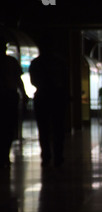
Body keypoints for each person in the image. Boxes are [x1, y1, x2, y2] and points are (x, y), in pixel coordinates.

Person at [29, 37, 69, 168]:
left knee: (43, 129)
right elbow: (66, 82)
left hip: (42, 97)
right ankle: (58, 156)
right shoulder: (60, 63)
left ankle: (46, 155)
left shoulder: (36, 63)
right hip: (58, 98)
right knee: (58, 128)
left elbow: (34, 81)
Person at [0, 37, 29, 168]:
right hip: (10, 96)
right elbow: (18, 80)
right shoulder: (11, 62)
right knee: (9, 127)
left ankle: (3, 155)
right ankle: (5, 155)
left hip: (6, 96)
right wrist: (24, 94)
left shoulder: (11, 62)